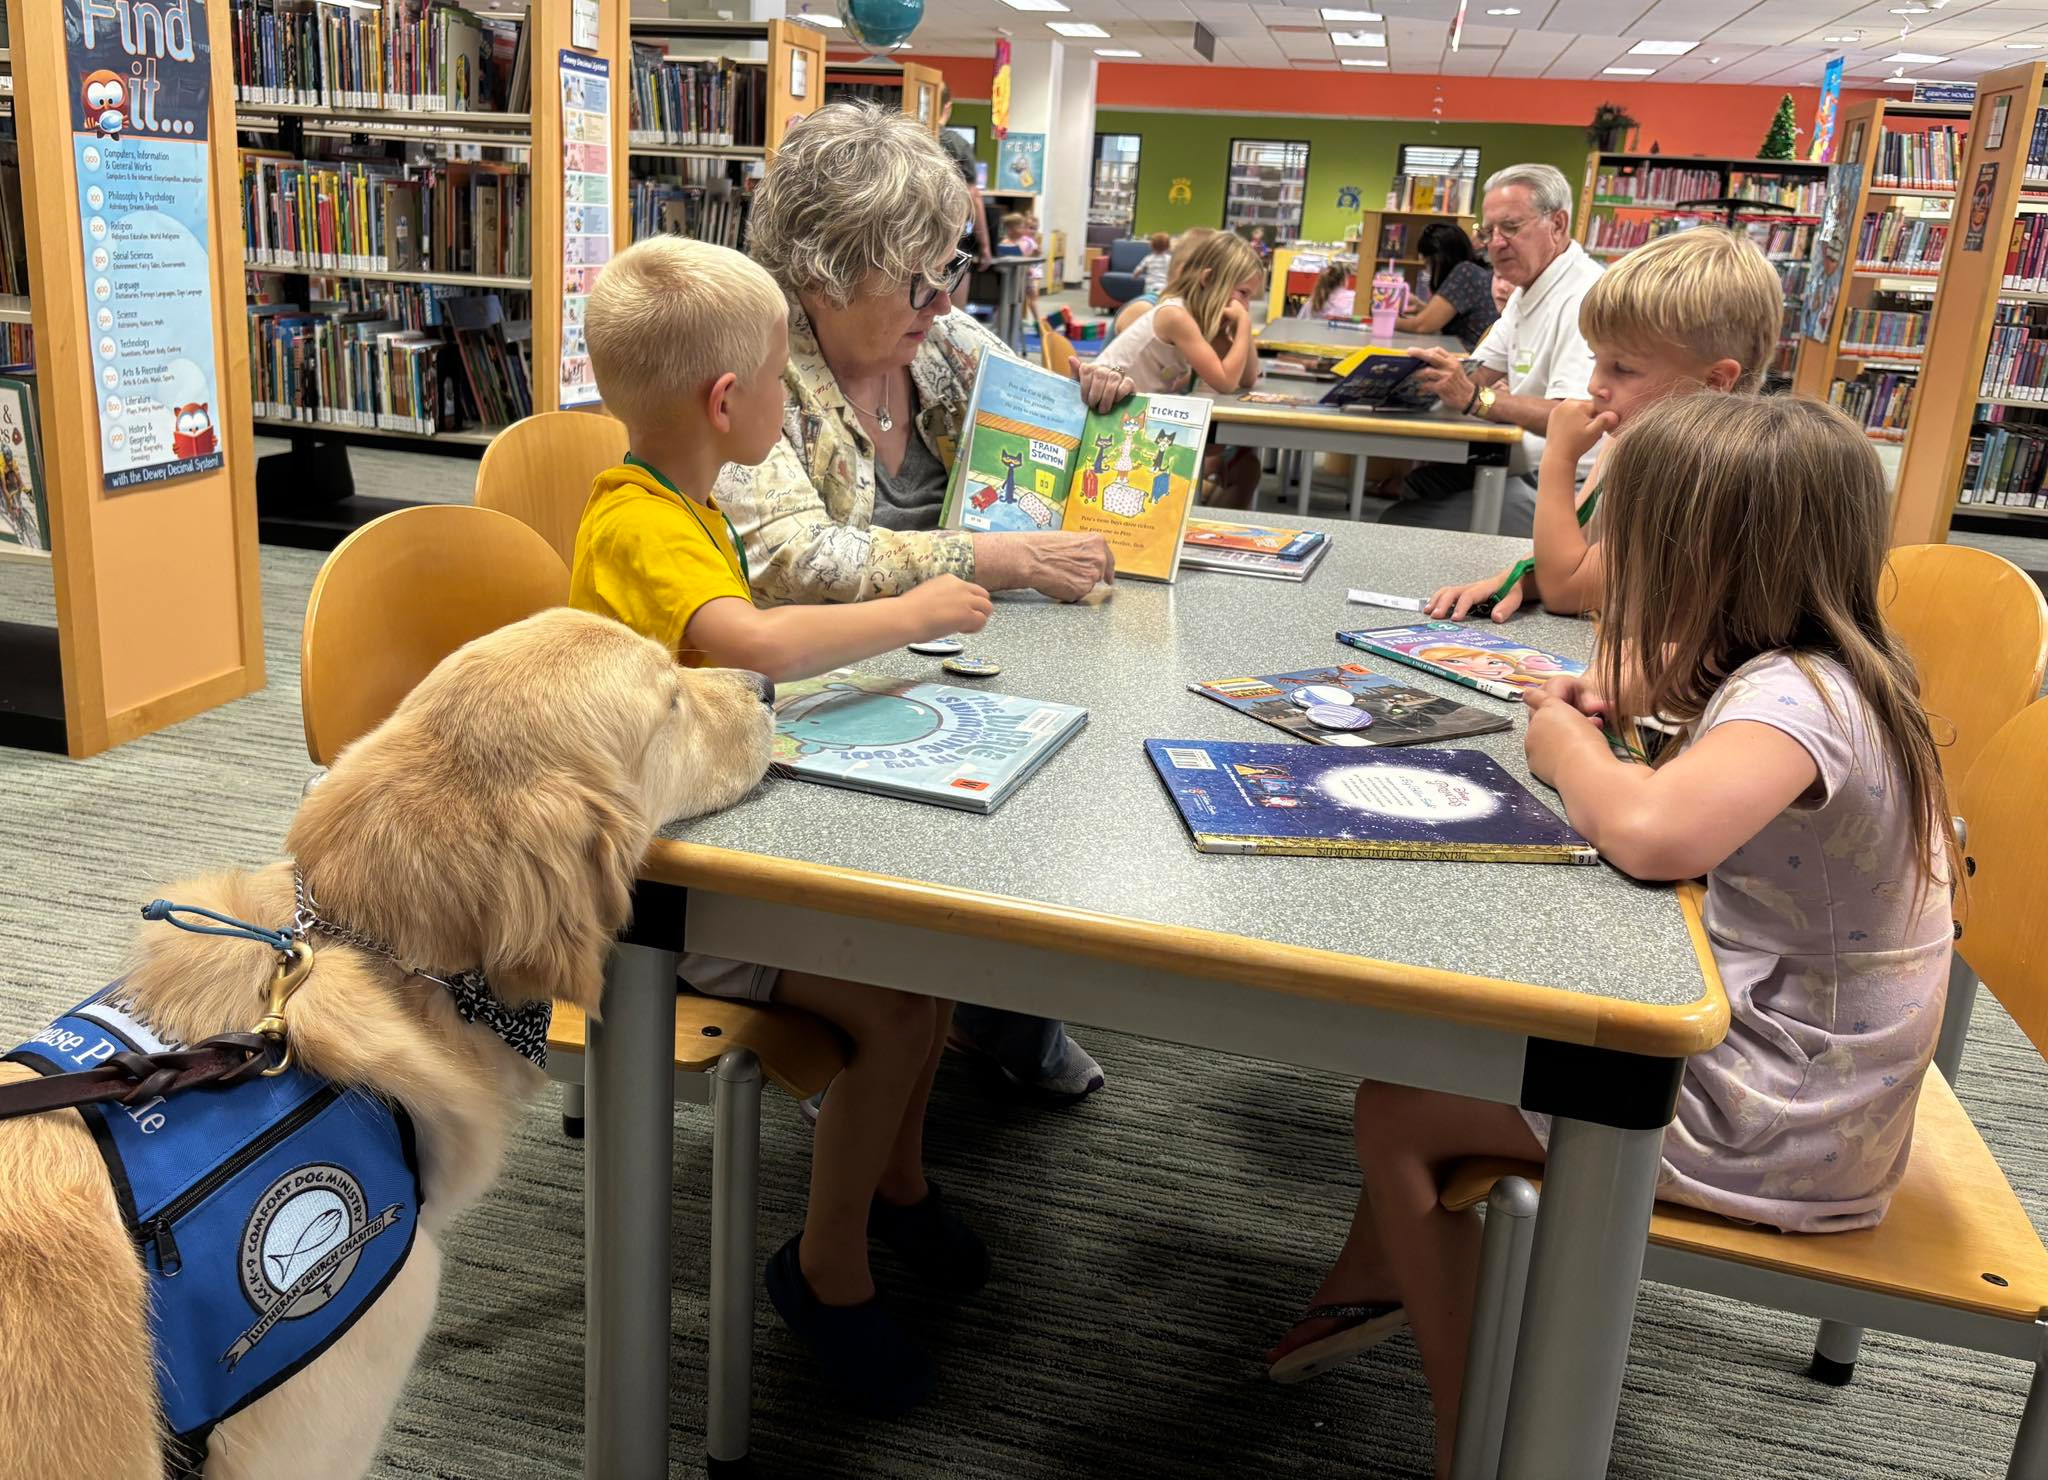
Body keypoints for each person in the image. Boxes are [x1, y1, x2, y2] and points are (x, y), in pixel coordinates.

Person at [1267, 393, 1956, 1478]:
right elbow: (1698, 693)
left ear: (1704, 559)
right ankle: (1381, 1272)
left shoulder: (1793, 699)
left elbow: (1646, 833)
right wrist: (1622, 686)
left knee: (1395, 1103)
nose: (1618, 575)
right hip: (1807, 1068)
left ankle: (1471, 1427)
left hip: (1774, 1117)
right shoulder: (1829, 660)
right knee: (1442, 1032)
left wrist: (1562, 746)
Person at [573, 235, 998, 1413]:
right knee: (898, 1004)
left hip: (707, 829)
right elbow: (752, 642)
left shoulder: (680, 496)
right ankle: (827, 1265)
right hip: (651, 892)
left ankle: (897, 1182)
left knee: (929, 975)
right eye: (779, 376)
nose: (792, 396)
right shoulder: (643, 523)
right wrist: (910, 608)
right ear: (728, 403)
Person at [717, 101, 1119, 1100]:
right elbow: (796, 558)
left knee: (1068, 759)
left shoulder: (932, 340)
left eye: (950, 270)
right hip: (804, 693)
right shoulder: (753, 367)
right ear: (822, 272)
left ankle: (992, 1007)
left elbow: (1042, 407)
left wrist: (1103, 385)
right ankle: (912, 1020)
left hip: (942, 661)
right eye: (916, 277)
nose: (941, 301)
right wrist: (990, 558)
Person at [1424, 228, 1784, 622]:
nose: (1595, 384)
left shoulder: (1702, 471)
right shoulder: (1628, 440)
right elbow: (1577, 542)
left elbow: (1566, 589)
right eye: (1596, 359)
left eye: (1623, 368)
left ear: (1715, 382)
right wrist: (1519, 578)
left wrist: (1559, 458)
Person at [1388, 163, 1604, 535]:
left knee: (1397, 525)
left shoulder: (1585, 297)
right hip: (1522, 461)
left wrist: (1476, 399)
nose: (1496, 244)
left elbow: (1576, 415)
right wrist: (1407, 378)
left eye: (1512, 227)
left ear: (1558, 224)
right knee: (1421, 482)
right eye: (1488, 232)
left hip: (1567, 486)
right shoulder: (1528, 290)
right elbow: (1480, 370)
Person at [1091, 229, 1265, 507]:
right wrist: (1244, 325)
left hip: (1133, 417)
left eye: (1250, 299)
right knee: (1217, 453)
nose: (1244, 305)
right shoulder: (1176, 315)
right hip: (1106, 418)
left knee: (1237, 461)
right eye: (1243, 294)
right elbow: (1225, 382)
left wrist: (1237, 327)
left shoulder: (1201, 320)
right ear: (1208, 280)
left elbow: (1247, 377)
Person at [1394, 222, 1498, 350]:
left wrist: (1387, 321)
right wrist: (1422, 307)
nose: (1428, 270)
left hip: (1468, 359)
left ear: (1439, 259)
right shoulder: (1476, 272)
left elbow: (1421, 325)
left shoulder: (1465, 272)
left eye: (1428, 263)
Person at [1113, 226, 1214, 339]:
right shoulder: (1146, 309)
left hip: (1153, 286)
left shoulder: (1150, 258)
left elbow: (1138, 270)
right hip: (1158, 288)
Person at [936, 86, 995, 268]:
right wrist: (985, 247)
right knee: (949, 294)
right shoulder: (958, 144)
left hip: (907, 234)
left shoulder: (907, 137)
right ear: (948, 107)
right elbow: (973, 197)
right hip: (949, 235)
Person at [1134, 230, 1173, 295]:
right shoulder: (1170, 259)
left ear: (1152, 245)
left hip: (1150, 287)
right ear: (1168, 246)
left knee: (1149, 301)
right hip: (1165, 287)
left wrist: (1135, 275)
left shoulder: (1148, 258)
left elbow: (1138, 271)